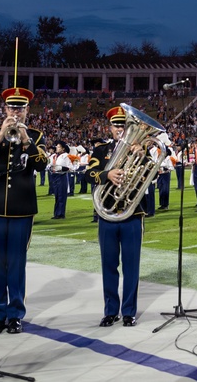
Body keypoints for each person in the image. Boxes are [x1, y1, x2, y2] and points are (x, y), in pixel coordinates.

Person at [0, 87, 48, 335]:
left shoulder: (36, 136)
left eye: (20, 108)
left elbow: (41, 164)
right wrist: (1, 135)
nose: (16, 112)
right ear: (4, 110)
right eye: (12, 108)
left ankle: (15, 314)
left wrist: (26, 140)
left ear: (28, 111)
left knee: (17, 263)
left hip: (22, 207)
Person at [89, 106, 145, 327]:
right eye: (116, 125)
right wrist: (107, 174)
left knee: (132, 266)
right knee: (109, 265)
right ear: (110, 128)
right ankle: (111, 311)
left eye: (124, 125)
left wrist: (141, 154)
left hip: (132, 213)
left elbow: (149, 175)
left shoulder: (140, 149)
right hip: (107, 214)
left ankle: (129, 311)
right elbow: (88, 174)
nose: (120, 129)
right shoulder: (101, 150)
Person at [49, 141, 73, 219]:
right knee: (56, 195)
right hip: (54, 176)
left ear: (63, 149)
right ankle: (56, 213)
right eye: (57, 146)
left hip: (62, 176)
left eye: (58, 147)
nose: (56, 148)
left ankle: (61, 214)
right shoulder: (54, 156)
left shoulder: (66, 156)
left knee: (61, 195)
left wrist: (62, 168)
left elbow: (71, 168)